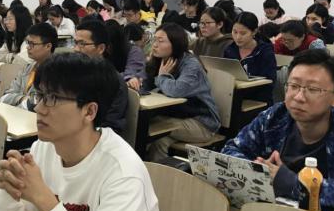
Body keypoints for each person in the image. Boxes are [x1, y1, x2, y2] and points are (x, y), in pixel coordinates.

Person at [0, 53, 166, 211]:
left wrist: (44, 199)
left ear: (89, 111)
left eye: (52, 98)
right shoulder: (44, 148)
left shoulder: (124, 173)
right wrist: (8, 192)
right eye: (40, 95)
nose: (39, 108)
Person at [221, 50, 334, 211]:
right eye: (294, 86)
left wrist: (291, 183)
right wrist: (257, 170)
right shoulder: (275, 117)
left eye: (313, 89)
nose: (299, 97)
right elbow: (230, 150)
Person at [144, 23, 221, 161]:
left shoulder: (191, 64)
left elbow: (176, 90)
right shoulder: (160, 59)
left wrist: (162, 77)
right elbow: (147, 85)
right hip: (176, 116)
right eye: (154, 39)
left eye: (160, 41)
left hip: (201, 123)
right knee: (157, 139)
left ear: (175, 43)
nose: (154, 45)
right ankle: (155, 171)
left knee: (153, 128)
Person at [73, 20, 129, 135]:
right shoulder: (74, 72)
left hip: (95, 138)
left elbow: (111, 126)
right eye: (75, 43)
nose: (76, 49)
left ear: (101, 48)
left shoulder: (113, 81)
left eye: (82, 44)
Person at [0, 23, 58, 110]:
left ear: (48, 46)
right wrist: (22, 98)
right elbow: (5, 97)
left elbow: (36, 104)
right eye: (28, 43)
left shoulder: (55, 72)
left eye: (32, 44)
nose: (28, 47)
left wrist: (18, 100)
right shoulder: (27, 68)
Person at [224, 12, 277, 104]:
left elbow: (269, 81)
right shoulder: (230, 50)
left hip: (258, 100)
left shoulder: (264, 51)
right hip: (233, 95)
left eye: (243, 33)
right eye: (235, 32)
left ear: (254, 32)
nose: (238, 37)